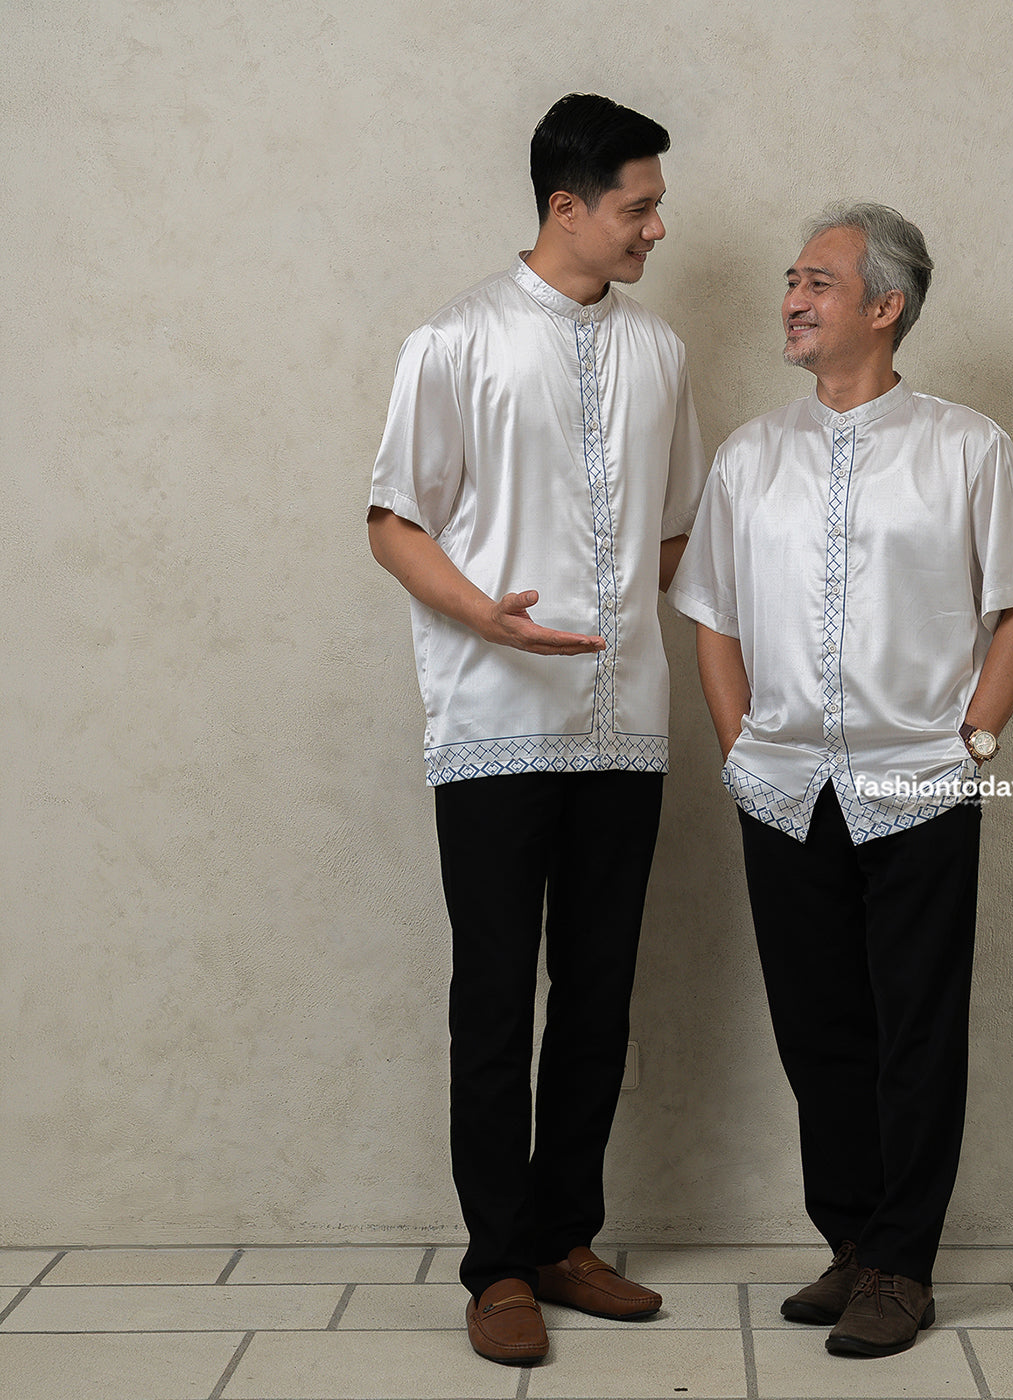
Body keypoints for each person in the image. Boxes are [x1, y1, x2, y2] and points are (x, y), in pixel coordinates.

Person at [669, 202, 1013, 1358]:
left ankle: (903, 1263)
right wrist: (739, 748)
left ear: (885, 306)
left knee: (914, 1029)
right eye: (790, 280)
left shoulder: (965, 447)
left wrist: (970, 744)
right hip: (782, 788)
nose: (791, 299)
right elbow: (710, 613)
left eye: (817, 282)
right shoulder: (749, 455)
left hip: (920, 784)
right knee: (816, 1025)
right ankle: (850, 1239)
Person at [366, 93, 706, 1366]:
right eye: (638, 206)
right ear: (566, 206)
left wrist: (617, 611)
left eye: (656, 205)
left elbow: (677, 525)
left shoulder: (660, 351)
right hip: (493, 717)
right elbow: (392, 518)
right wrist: (489, 621)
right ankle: (496, 1264)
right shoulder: (454, 340)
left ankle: (566, 1235)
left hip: (624, 720)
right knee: (496, 990)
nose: (655, 228)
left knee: (600, 990)